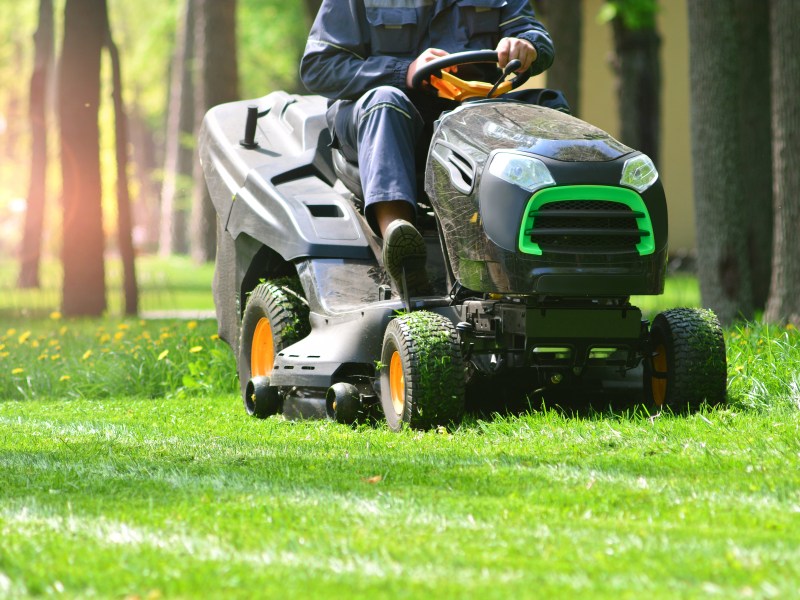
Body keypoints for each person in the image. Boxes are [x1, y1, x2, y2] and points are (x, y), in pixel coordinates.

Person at [300, 1, 556, 297]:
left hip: (472, 116)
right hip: (381, 117)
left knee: (548, 107)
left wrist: (527, 45)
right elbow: (319, 67)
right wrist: (403, 71)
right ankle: (399, 239)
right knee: (386, 101)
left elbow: (531, 33)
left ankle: (556, 245)